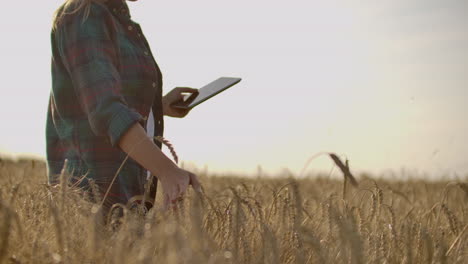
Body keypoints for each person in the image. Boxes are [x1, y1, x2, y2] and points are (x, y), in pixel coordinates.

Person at [46, 0, 201, 215]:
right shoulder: (83, 17)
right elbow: (105, 109)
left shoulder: (120, 22)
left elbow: (108, 98)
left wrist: (158, 105)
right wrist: (167, 170)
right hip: (94, 196)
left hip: (128, 190)